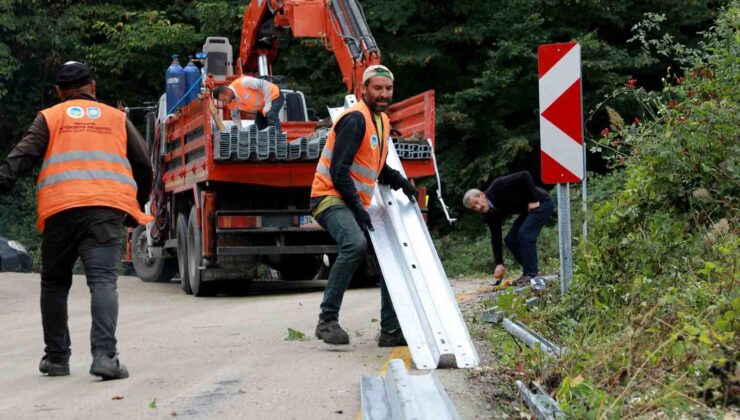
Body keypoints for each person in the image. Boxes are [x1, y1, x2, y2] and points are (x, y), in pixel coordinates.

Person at [0, 61, 153, 380]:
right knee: (103, 282)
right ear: (93, 87)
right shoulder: (115, 117)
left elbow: (21, 157)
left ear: (59, 92)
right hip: (105, 211)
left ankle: (57, 358)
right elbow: (143, 164)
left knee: (55, 283)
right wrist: (134, 206)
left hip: (60, 210)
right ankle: (104, 357)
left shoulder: (50, 117)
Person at [309, 64, 418, 346]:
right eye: (377, 88)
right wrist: (358, 209)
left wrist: (400, 181)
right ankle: (327, 320)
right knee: (355, 245)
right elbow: (339, 171)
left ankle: (391, 331)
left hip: (352, 201)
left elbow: (375, 166)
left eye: (388, 89)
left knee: (389, 257)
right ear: (364, 90)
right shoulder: (355, 119)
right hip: (328, 197)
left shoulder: (381, 121)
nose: (384, 94)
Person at [463, 171, 553, 285]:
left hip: (541, 203)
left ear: (482, 195)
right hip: (528, 211)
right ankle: (530, 270)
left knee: (524, 233)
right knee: (511, 240)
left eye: (476, 202)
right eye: (474, 207)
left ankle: (531, 273)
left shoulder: (498, 186)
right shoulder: (489, 214)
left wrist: (533, 200)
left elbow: (525, 175)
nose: (478, 207)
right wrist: (499, 263)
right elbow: (496, 237)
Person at [212, 76, 284, 132]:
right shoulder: (231, 103)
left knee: (271, 116)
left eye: (224, 100)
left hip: (274, 96)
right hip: (262, 107)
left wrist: (268, 104)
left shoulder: (243, 82)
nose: (225, 103)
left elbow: (264, 84)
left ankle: (280, 144)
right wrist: (239, 132)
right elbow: (235, 117)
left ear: (227, 92)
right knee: (258, 127)